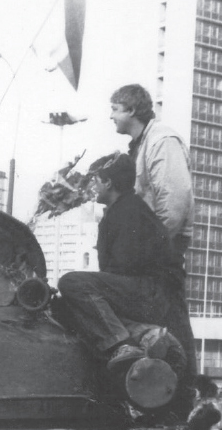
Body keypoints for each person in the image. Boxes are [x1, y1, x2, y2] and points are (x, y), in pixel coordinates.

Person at [57, 154, 194, 377]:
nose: (93, 185)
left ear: (108, 182)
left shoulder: (128, 211)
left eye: (96, 180)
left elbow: (123, 267)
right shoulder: (127, 209)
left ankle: (121, 345)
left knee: (71, 283)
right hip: (151, 292)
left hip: (152, 294)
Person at [110, 84, 194, 256]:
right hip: (153, 239)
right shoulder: (144, 142)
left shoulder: (162, 141)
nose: (111, 116)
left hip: (162, 242)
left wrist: (150, 247)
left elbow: (174, 202)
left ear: (131, 110)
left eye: (115, 109)